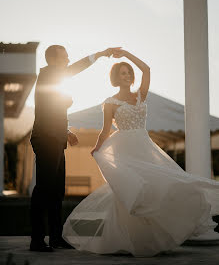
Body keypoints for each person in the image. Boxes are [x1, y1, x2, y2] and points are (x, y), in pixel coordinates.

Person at [62, 49, 219, 257]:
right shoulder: (109, 102)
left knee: (160, 186)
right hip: (123, 150)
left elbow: (146, 69)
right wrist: (97, 148)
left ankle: (150, 239)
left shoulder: (140, 95)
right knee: (131, 194)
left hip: (144, 146)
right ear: (115, 78)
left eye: (128, 73)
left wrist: (125, 54)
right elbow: (105, 130)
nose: (126, 76)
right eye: (121, 74)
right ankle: (128, 240)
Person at [30, 44, 119, 252]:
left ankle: (55, 237)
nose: (68, 60)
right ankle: (36, 240)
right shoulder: (49, 74)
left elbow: (52, 110)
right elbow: (75, 69)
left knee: (56, 190)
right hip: (45, 139)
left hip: (55, 138)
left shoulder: (54, 77)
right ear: (53, 60)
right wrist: (99, 54)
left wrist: (66, 130)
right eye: (65, 57)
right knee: (44, 189)